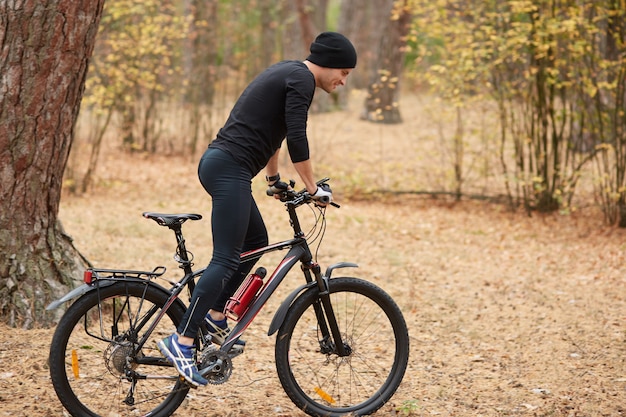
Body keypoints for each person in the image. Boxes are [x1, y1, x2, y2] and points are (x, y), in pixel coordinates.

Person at [157, 32, 357, 386]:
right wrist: (313, 188)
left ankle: (216, 316)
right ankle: (182, 340)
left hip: (226, 165)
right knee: (226, 258)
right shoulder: (301, 80)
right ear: (327, 63)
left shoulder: (289, 73)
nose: (343, 80)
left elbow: (271, 132)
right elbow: (297, 136)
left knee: (256, 240)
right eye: (343, 72)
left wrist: (274, 179)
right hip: (228, 167)